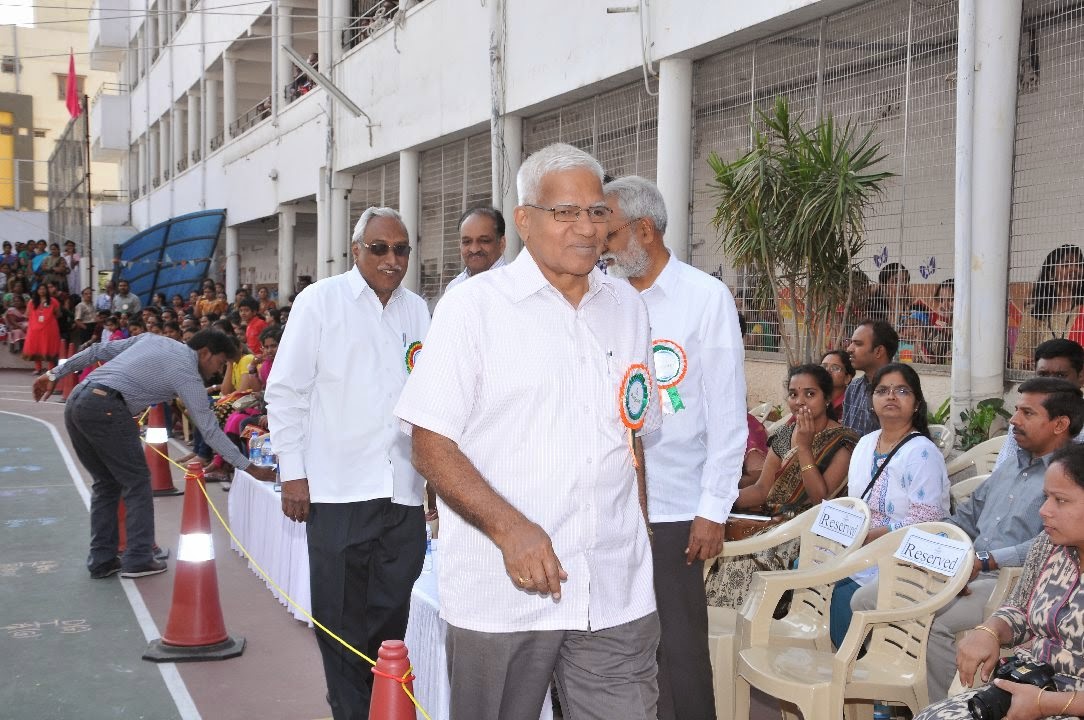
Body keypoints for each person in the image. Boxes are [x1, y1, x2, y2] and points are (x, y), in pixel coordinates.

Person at [396, 143, 662, 720]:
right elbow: (429, 444)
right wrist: (510, 529)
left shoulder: (627, 307)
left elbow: (633, 435)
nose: (587, 228)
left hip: (612, 585)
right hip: (504, 591)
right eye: (566, 212)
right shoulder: (473, 308)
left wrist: (638, 529)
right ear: (524, 219)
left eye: (597, 212)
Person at [266, 206, 430, 720]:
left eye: (401, 249)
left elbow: (427, 398)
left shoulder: (418, 311)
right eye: (379, 248)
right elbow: (286, 391)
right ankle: (351, 712)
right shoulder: (320, 302)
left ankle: (379, 707)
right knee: (339, 622)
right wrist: (293, 473)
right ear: (356, 250)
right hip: (338, 491)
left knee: (390, 618)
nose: (391, 259)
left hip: (403, 492)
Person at [601, 175, 746, 720]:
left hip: (676, 508)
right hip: (612, 504)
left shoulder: (704, 298)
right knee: (617, 648)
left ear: (644, 229)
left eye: (610, 234)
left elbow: (728, 416)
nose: (602, 248)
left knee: (679, 651)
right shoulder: (604, 299)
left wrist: (712, 510)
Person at [854, 377, 1084, 702]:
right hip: (966, 567)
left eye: (1027, 413)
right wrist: (932, 549)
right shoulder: (1011, 466)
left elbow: (1044, 548)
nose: (1014, 420)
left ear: (1060, 424)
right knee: (866, 598)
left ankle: (943, 706)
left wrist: (986, 561)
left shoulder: (1072, 481)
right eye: (1017, 410)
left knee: (932, 623)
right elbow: (965, 518)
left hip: (1004, 579)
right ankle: (898, 693)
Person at [31, 330, 276, 579]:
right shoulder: (188, 374)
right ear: (205, 353)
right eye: (220, 362)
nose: (217, 369)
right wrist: (250, 467)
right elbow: (210, 431)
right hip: (108, 408)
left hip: (78, 400)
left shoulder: (153, 339)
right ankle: (138, 558)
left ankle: (102, 560)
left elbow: (97, 351)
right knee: (137, 483)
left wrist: (53, 374)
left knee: (106, 484)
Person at [914, 444, 1084, 720]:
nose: (1044, 510)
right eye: (1046, 497)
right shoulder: (1049, 546)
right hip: (1030, 684)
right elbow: (1020, 608)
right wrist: (989, 630)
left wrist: (1045, 703)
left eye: (1061, 500)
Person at [705, 365, 858, 609]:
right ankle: (722, 626)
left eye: (810, 394)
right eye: (793, 394)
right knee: (724, 551)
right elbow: (761, 490)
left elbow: (821, 499)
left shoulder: (842, 440)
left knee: (751, 560)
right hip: (773, 523)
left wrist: (805, 448)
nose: (800, 401)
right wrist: (716, 501)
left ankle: (758, 621)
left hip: (811, 531)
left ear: (827, 398)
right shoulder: (786, 433)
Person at [830, 362, 950, 647]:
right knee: (805, 564)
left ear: (916, 404)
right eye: (882, 390)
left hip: (903, 554)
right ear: (872, 401)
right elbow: (856, 502)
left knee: (842, 587)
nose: (891, 396)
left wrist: (870, 537)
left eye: (902, 391)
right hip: (861, 544)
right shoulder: (866, 443)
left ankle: (851, 663)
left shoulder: (921, 452)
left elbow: (927, 520)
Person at [994, 339, 1084, 473]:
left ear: (1081, 376)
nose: (1050, 383)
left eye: (1060, 375)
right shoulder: (1020, 422)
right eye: (1043, 375)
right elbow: (1001, 473)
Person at [1013, 244, 1084, 370]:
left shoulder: (1081, 310)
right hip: (1044, 379)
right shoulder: (1035, 312)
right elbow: (1019, 355)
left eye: (1078, 265)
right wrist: (1026, 363)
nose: (1074, 269)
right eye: (1066, 264)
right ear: (1051, 273)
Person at [843, 319, 900, 438]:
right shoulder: (853, 387)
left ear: (878, 351)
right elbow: (845, 435)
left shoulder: (898, 392)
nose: (849, 349)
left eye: (858, 344)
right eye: (851, 343)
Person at [444, 206, 507, 293]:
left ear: (501, 243)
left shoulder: (516, 285)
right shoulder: (454, 287)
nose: (474, 249)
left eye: (484, 240)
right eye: (467, 241)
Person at [22, 283, 62, 373]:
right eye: (40, 289)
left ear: (47, 290)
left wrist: (48, 317)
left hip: (49, 328)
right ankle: (38, 368)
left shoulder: (53, 301)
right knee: (36, 347)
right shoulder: (32, 302)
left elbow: (58, 314)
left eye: (44, 289)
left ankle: (50, 369)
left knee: (50, 347)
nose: (42, 291)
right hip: (34, 329)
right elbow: (27, 314)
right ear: (37, 291)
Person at [822, 349, 855, 419]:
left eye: (835, 368)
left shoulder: (852, 406)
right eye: (824, 367)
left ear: (847, 378)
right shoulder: (813, 399)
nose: (827, 371)